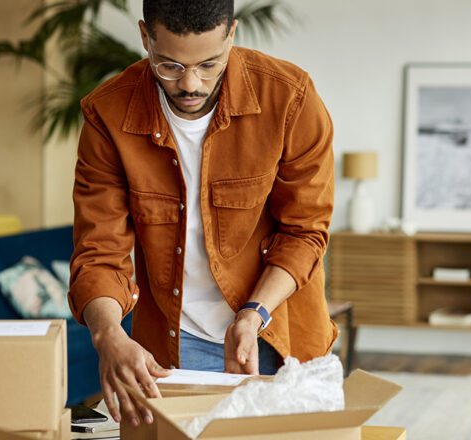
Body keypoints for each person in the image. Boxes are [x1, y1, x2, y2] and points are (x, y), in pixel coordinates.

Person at [68, 0, 336, 427]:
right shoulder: (108, 115)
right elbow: (99, 251)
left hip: (278, 327)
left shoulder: (290, 98)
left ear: (231, 35)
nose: (189, 84)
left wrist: (253, 314)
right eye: (169, 65)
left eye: (209, 64)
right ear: (145, 38)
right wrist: (108, 335)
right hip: (175, 343)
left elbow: (305, 232)